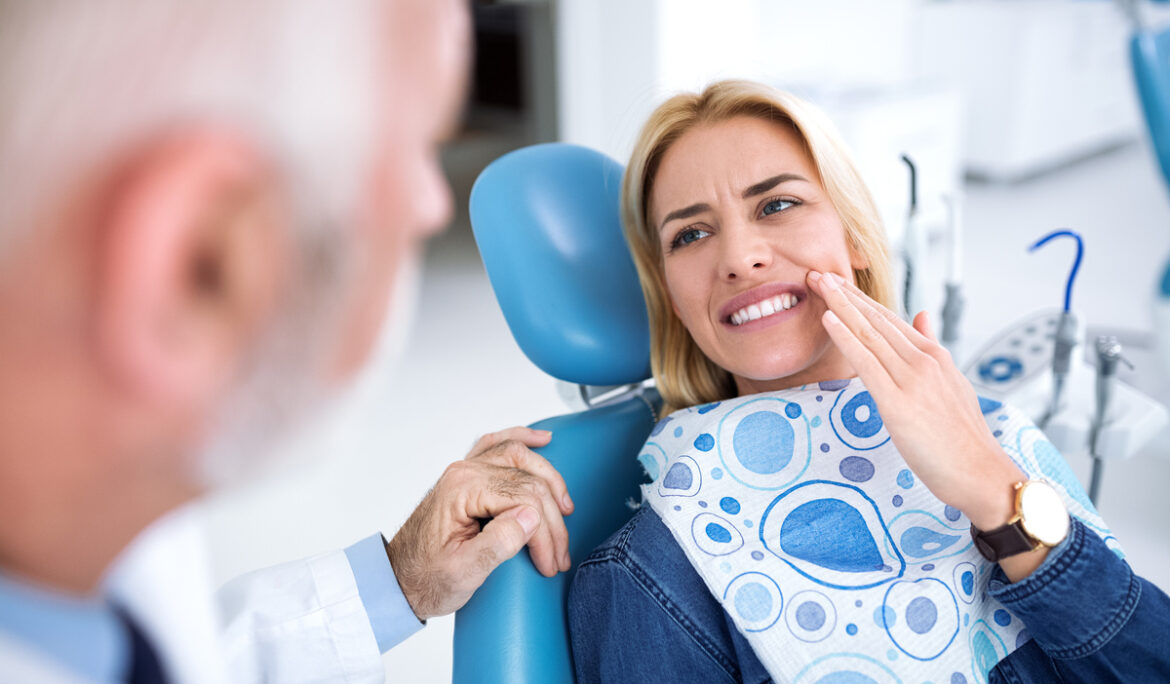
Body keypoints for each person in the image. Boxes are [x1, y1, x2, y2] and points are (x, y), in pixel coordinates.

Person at [0, 0, 575, 681]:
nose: (432, 204)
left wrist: (399, 580)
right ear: (200, 265)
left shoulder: (78, 549)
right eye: (417, 146)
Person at [567, 80, 1170, 683]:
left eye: (777, 204)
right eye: (690, 235)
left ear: (853, 236)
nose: (739, 257)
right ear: (673, 299)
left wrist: (993, 491)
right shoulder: (650, 572)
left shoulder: (998, 442)